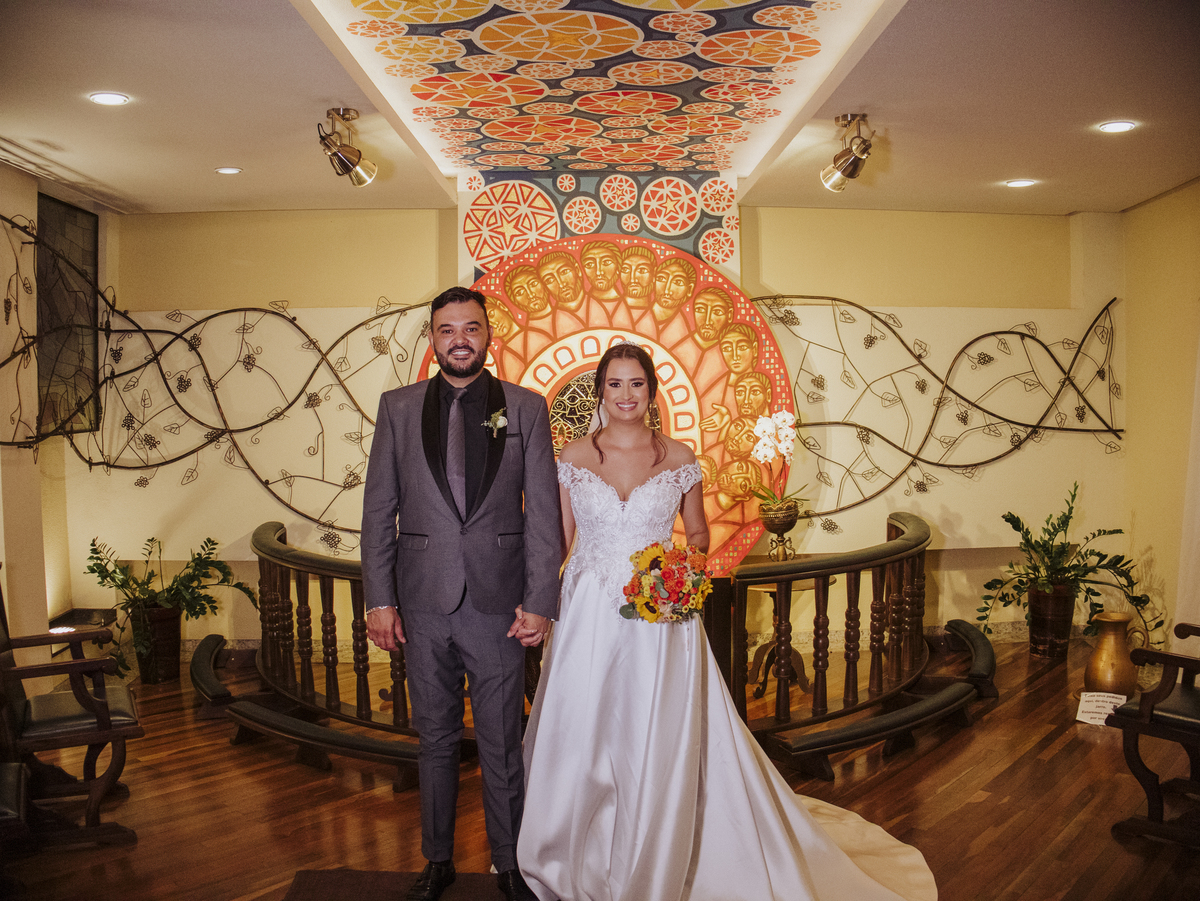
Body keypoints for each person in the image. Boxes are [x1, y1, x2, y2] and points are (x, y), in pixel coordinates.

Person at [517, 342, 937, 901]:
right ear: (600, 391)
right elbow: (559, 538)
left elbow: (696, 533)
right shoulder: (571, 457)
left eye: (636, 383)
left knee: (653, 721)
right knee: (584, 719)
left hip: (659, 609)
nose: (626, 395)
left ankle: (660, 833)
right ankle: (575, 844)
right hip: (588, 607)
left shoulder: (678, 456)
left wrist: (678, 573)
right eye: (615, 384)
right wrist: (539, 602)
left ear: (652, 391)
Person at [362, 286, 560, 901]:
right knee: (437, 738)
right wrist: (379, 600)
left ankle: (509, 863)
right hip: (421, 602)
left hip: (500, 605)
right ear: (432, 339)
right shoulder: (397, 408)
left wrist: (541, 601)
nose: (459, 340)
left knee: (502, 741)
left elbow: (544, 515)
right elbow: (379, 511)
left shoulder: (526, 408)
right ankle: (437, 859)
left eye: (470, 328)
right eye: (447, 330)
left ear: (488, 334)